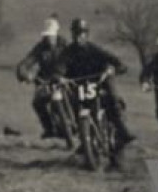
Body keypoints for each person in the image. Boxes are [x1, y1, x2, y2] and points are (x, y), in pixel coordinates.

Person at [55, 17, 136, 160]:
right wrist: (60, 77)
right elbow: (59, 67)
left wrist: (114, 70)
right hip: (78, 86)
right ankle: (85, 139)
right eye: (76, 33)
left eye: (82, 33)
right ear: (72, 35)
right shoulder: (67, 52)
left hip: (99, 82)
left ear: (87, 34)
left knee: (112, 101)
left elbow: (117, 62)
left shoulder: (94, 50)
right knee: (73, 106)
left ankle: (122, 131)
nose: (79, 36)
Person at [15, 17, 69, 139]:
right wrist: (24, 74)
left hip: (64, 79)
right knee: (38, 102)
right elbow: (26, 62)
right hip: (46, 81)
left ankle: (78, 125)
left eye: (51, 35)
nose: (49, 38)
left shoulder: (65, 45)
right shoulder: (40, 48)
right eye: (47, 35)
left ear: (56, 34)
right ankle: (49, 129)